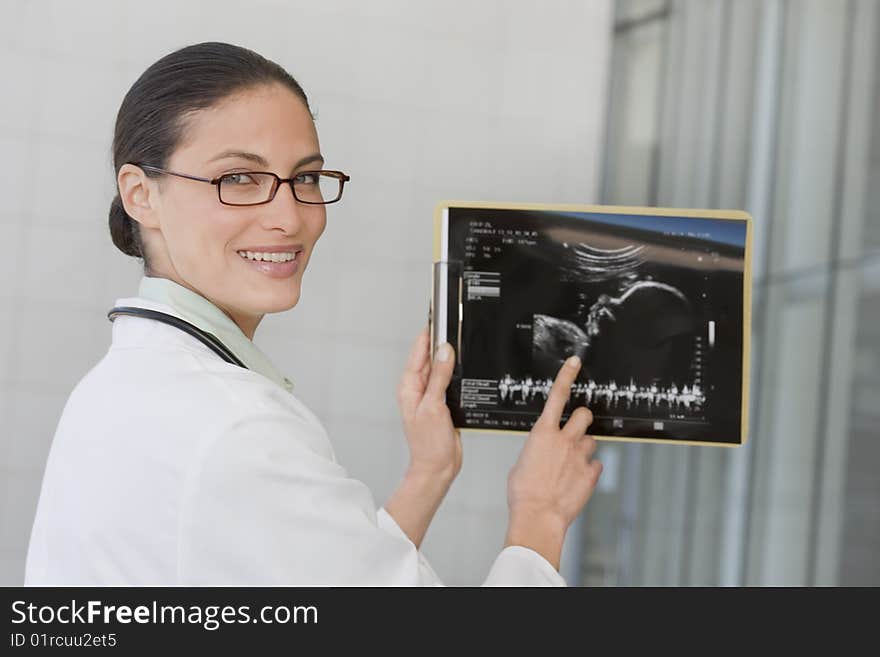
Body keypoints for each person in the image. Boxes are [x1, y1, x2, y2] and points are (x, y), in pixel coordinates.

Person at [24, 42, 602, 586]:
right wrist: (540, 516)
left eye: (304, 177)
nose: (290, 217)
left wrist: (430, 471)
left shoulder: (127, 385)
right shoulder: (233, 425)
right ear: (140, 194)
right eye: (239, 179)